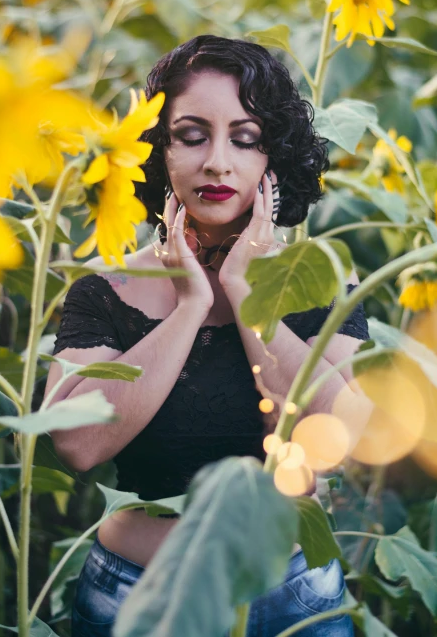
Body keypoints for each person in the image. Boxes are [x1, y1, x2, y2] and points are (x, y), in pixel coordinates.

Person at [45, 35, 371, 636]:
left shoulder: (320, 278)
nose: (217, 161)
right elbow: (78, 445)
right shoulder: (108, 288)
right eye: (192, 135)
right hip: (134, 600)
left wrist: (249, 294)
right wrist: (190, 306)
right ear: (158, 150)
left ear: (274, 156)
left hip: (293, 602)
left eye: (244, 139)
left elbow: (338, 435)